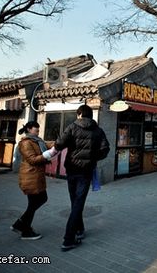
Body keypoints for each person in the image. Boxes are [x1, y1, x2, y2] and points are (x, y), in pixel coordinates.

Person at [55, 105, 110, 252]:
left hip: (71, 169)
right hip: (86, 171)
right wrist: (93, 158)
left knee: (75, 201)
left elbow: (59, 144)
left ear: (79, 114)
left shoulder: (72, 127)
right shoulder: (98, 130)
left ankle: (68, 239)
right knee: (78, 202)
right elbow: (105, 149)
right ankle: (76, 231)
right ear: (90, 115)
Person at [11, 121, 54, 240]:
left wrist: (60, 143)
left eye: (38, 130)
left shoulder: (37, 140)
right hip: (30, 176)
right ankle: (24, 230)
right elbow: (32, 160)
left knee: (37, 201)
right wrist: (47, 155)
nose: (38, 131)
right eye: (36, 129)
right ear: (29, 129)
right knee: (36, 202)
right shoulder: (25, 143)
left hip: (36, 176)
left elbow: (47, 144)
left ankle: (21, 225)